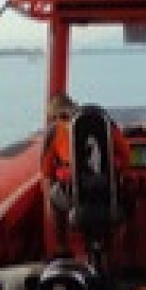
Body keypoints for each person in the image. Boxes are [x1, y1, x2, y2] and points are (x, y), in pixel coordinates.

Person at [40, 92, 132, 257]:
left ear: (56, 116)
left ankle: (62, 248)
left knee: (52, 197)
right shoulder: (107, 124)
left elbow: (47, 171)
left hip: (73, 196)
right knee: (130, 202)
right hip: (108, 193)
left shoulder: (55, 131)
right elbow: (126, 156)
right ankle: (121, 252)